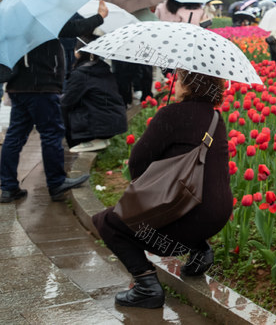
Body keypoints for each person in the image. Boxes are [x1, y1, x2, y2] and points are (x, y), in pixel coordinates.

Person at [92, 68, 232, 309]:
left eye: (178, 79)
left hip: (188, 213)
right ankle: (200, 251)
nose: (174, 84)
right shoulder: (215, 118)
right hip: (218, 214)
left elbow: (137, 161)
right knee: (181, 214)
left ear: (189, 85)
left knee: (108, 222)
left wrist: (148, 193)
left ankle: (146, 286)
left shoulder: (171, 114)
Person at [1, 0, 107, 204]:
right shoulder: (41, 14)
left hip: (18, 85)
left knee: (15, 135)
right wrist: (100, 16)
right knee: (51, 133)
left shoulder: (11, 16)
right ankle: (56, 183)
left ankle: (8, 187)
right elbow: (73, 28)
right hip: (41, 85)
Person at [61, 36, 128, 153]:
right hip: (114, 122)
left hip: (97, 127)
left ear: (79, 53)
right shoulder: (103, 69)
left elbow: (67, 102)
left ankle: (75, 144)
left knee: (64, 109)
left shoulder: (81, 74)